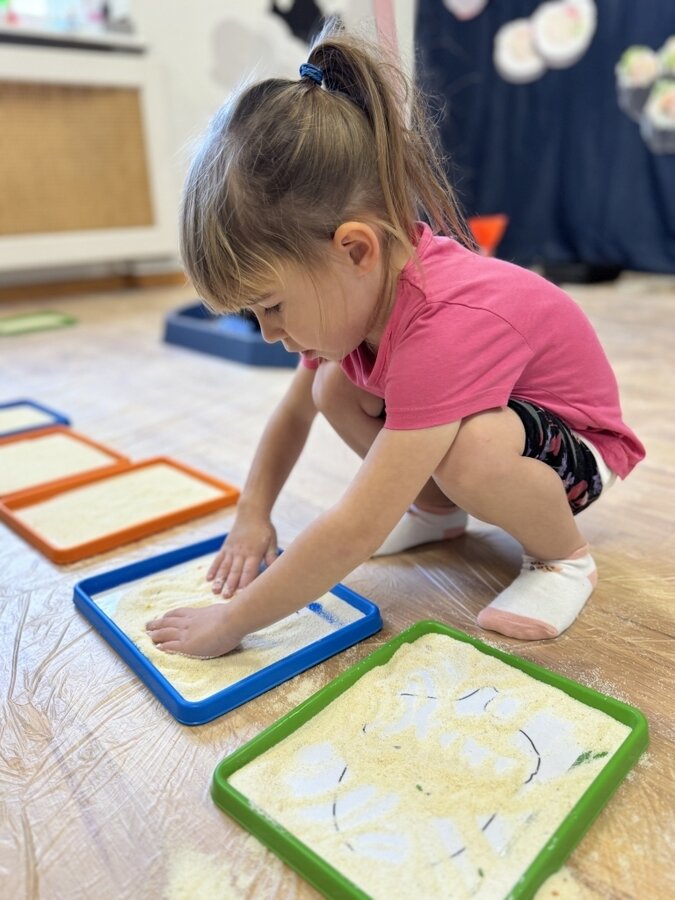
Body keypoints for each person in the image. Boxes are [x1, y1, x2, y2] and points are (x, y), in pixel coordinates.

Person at [147, 21, 644, 658]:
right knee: (330, 384)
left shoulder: (440, 326)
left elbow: (358, 525)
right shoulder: (357, 293)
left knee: (472, 449)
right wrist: (253, 512)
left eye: (271, 306)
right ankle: (439, 513)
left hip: (580, 448)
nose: (270, 334)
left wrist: (234, 621)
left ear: (355, 249)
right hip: (513, 421)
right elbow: (293, 414)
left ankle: (562, 559)